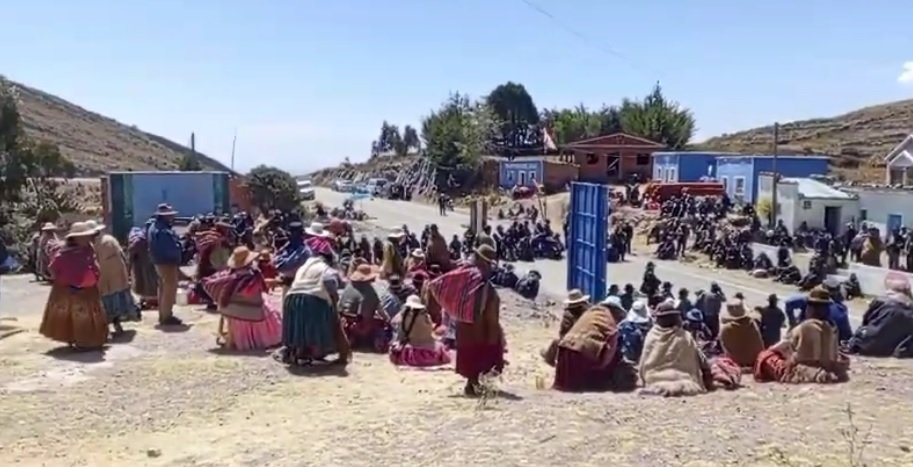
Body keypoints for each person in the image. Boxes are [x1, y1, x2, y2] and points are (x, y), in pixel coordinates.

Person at [427, 244, 505, 396]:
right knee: (482, 350)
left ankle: (472, 382)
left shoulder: (463, 276)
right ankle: (475, 383)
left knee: (470, 353)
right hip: (478, 324)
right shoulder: (483, 284)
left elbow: (438, 285)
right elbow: (491, 316)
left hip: (463, 323)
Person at [754, 285, 850, 384]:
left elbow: (781, 346)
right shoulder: (832, 328)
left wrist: (771, 350)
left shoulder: (803, 327)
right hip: (828, 367)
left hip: (803, 371)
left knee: (765, 356)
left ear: (811, 308)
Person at [277, 241, 350, 366]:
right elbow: (330, 285)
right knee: (321, 323)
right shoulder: (327, 270)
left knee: (300, 327)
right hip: (311, 300)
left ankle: (298, 352)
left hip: (291, 299)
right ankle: (317, 351)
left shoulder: (304, 267)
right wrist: (334, 303)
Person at [39, 222, 109, 350]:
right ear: (75, 238)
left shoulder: (88, 248)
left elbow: (93, 263)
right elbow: (53, 269)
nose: (88, 238)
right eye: (85, 236)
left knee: (89, 314)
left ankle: (91, 339)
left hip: (88, 288)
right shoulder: (63, 253)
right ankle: (75, 340)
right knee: (72, 315)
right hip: (67, 290)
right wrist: (65, 282)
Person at [206, 246, 282, 351]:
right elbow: (257, 291)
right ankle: (265, 337)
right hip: (251, 310)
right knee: (271, 307)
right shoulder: (253, 275)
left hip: (229, 310)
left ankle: (235, 336)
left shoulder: (227, 275)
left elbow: (210, 285)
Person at [553, 297, 637, 392]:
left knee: (564, 386)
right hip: (581, 353)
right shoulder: (609, 321)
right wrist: (602, 366)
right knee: (579, 387)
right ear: (615, 311)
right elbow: (610, 349)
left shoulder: (591, 313)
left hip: (564, 349)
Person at [638, 301, 710, 397]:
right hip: (685, 381)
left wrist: (643, 379)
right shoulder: (686, 336)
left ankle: (661, 389)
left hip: (655, 379)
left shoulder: (651, 336)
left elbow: (643, 364)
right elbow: (701, 359)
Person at [86, 220, 140, 337]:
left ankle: (107, 326)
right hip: (118, 276)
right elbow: (122, 256)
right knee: (116, 300)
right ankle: (117, 324)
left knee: (106, 302)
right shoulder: (110, 239)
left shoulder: (94, 245)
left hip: (104, 278)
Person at [339, 262, 392, 352]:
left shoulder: (348, 287)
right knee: (383, 323)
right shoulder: (369, 291)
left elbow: (340, 305)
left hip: (346, 320)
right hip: (361, 324)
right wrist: (387, 319)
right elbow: (380, 310)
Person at [147, 204, 184, 326]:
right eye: (170, 215)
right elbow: (169, 248)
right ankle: (167, 316)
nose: (172, 217)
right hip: (166, 262)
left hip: (159, 262)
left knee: (163, 288)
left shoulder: (155, 227)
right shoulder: (162, 231)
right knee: (169, 289)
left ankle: (163, 314)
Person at [389, 294, 451, 367]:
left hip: (409, 351)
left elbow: (399, 334)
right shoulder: (426, 317)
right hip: (428, 349)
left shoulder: (402, 317)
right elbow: (430, 331)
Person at [541, 289, 590, 365]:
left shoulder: (568, 314)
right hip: (588, 339)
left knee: (556, 342)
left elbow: (563, 333)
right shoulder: (588, 311)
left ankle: (549, 358)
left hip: (574, 342)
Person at [718, 299, 765, 368]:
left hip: (738, 363)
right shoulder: (752, 325)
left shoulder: (726, 329)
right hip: (755, 360)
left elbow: (724, 347)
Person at [127, 223, 158, 309]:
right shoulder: (139, 241)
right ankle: (148, 301)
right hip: (141, 264)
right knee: (146, 282)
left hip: (144, 263)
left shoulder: (149, 237)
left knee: (146, 282)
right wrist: (127, 270)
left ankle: (149, 300)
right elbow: (130, 255)